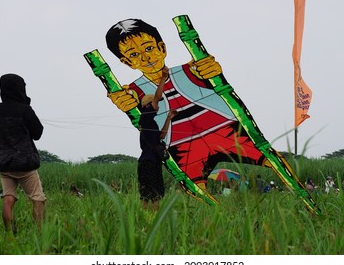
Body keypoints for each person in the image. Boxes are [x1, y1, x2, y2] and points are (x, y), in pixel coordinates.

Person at [102, 18, 269, 191]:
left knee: (269, 158)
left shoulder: (190, 70)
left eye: (149, 48)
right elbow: (130, 98)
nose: (145, 57)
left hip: (224, 130)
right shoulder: (136, 91)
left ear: (162, 48)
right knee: (197, 189)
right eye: (134, 55)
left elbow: (203, 69)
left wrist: (209, 70)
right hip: (183, 147)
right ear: (127, 62)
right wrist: (125, 98)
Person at [0, 73, 46, 234]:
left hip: (4, 164)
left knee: (8, 198)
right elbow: (37, 133)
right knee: (38, 199)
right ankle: (40, 234)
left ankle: (10, 235)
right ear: (20, 89)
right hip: (25, 165)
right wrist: (26, 106)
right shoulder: (25, 109)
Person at [137, 66, 177, 210]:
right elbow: (156, 98)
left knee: (148, 195)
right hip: (150, 163)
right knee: (153, 196)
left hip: (149, 162)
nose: (157, 105)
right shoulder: (146, 115)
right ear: (147, 105)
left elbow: (161, 135)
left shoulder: (150, 122)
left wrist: (169, 118)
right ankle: (153, 222)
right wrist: (162, 78)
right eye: (155, 103)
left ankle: (146, 220)